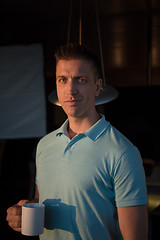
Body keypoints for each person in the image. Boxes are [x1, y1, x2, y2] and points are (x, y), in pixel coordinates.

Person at [6, 43, 148, 240]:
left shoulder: (123, 152)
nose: (70, 90)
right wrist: (23, 214)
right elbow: (41, 200)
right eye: (62, 80)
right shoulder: (44, 145)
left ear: (97, 86)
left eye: (80, 80)